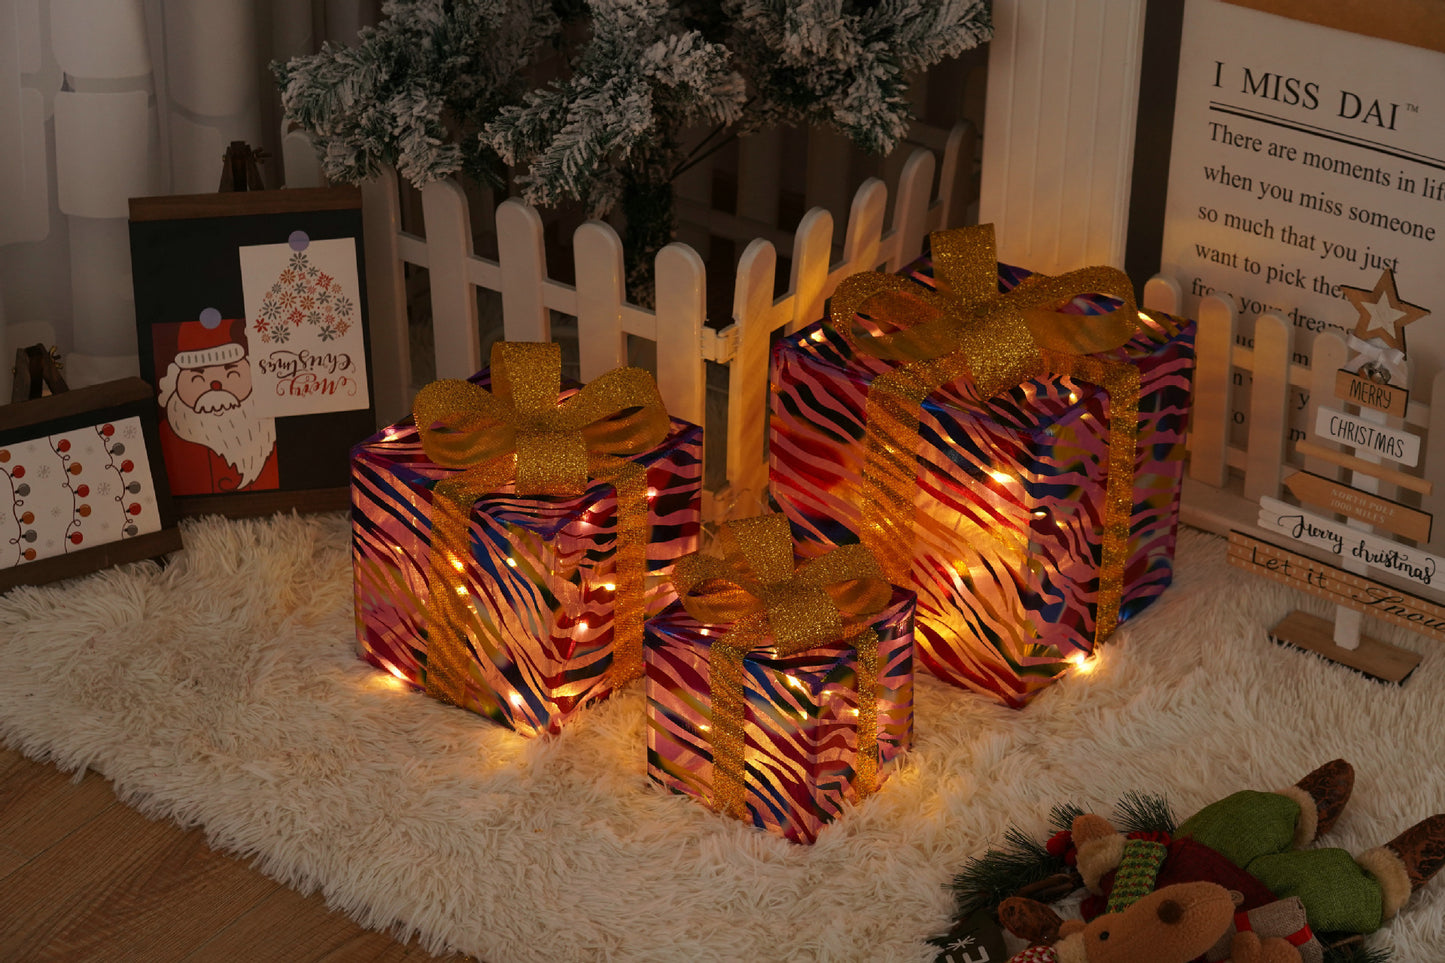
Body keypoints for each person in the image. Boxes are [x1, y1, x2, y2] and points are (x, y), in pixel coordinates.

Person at [154, 312, 279, 495]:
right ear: (176, 382)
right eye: (198, 377)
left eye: (231, 374)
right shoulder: (167, 438)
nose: (215, 386)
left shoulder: (271, 432)